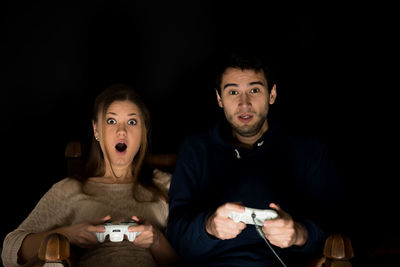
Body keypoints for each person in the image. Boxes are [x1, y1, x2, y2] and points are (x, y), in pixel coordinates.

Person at [167, 52, 345, 266]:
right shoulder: (195, 150)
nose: (244, 103)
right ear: (219, 99)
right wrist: (209, 227)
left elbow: (336, 229)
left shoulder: (308, 151)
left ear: (272, 94)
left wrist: (299, 234)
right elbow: (176, 237)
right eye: (233, 92)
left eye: (254, 90)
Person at [2, 83, 179, 267]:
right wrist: (68, 234)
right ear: (96, 130)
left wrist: (156, 240)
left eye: (132, 122)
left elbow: (193, 259)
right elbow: (9, 250)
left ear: (144, 131)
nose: (121, 131)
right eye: (111, 121)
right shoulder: (70, 189)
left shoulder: (167, 186)